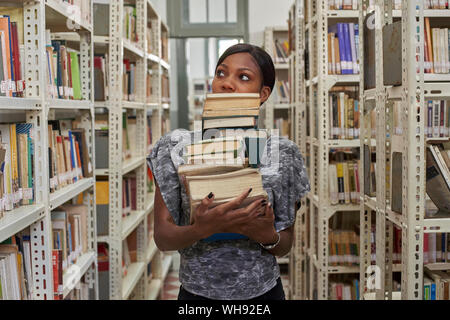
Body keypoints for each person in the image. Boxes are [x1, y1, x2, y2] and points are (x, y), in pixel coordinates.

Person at [147, 43, 310, 300]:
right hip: (197, 296)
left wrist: (266, 235)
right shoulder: (175, 147)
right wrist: (200, 230)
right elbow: (163, 238)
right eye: (221, 73)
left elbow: (285, 244)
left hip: (263, 294)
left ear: (263, 93)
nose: (226, 83)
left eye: (243, 77)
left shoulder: (283, 153)